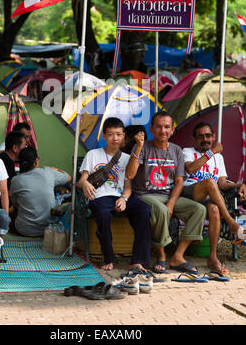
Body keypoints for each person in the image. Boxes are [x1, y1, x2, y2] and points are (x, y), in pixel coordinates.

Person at [126, 111, 207, 274]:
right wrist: (139, 147)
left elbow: (179, 182)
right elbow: (129, 175)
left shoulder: (176, 150)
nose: (162, 131)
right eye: (158, 126)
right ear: (151, 128)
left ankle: (178, 256)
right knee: (161, 210)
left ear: (172, 129)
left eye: (167, 127)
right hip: (145, 195)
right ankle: (161, 255)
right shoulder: (142, 146)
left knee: (199, 210)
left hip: (168, 196)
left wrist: (171, 202)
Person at [78, 117, 151, 272]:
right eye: (110, 134)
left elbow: (127, 186)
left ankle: (137, 260)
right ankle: (108, 257)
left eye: (118, 134)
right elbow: (83, 179)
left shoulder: (126, 159)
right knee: (104, 214)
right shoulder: (93, 154)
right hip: (98, 197)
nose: (115, 138)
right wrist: (84, 183)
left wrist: (124, 199)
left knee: (143, 210)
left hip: (118, 196)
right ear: (104, 136)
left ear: (124, 135)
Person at [182, 122, 246, 275]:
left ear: (214, 136)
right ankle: (232, 222)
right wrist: (211, 152)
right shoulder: (187, 151)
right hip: (190, 192)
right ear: (194, 138)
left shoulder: (219, 157)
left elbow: (222, 184)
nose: (205, 139)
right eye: (201, 136)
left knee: (214, 209)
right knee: (210, 182)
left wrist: (240, 185)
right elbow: (190, 169)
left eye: (208, 135)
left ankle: (212, 257)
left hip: (209, 197)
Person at [9, 146, 71, 237]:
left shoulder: (15, 180)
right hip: (48, 229)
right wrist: (53, 168)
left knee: (12, 212)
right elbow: (68, 177)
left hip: (25, 230)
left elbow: (16, 204)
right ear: (36, 160)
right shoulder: (48, 172)